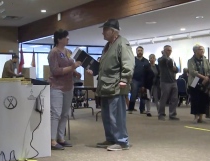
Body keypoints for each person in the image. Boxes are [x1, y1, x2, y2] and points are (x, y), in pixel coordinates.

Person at [86, 19, 134, 151]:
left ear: (113, 31)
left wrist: (123, 82)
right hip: (105, 87)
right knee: (107, 116)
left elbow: (128, 65)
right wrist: (94, 71)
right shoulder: (108, 46)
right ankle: (111, 139)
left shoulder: (122, 43)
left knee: (116, 115)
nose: (102, 33)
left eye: (105, 30)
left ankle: (122, 141)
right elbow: (105, 65)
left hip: (116, 87)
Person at [48, 29, 82, 150]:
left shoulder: (68, 52)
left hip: (68, 86)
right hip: (56, 87)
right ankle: (52, 140)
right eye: (66, 37)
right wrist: (72, 67)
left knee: (64, 114)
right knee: (55, 114)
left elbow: (70, 68)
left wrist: (75, 72)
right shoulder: (53, 52)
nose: (68, 39)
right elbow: (55, 71)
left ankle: (60, 138)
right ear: (59, 39)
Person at [188, 45, 210, 123]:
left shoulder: (205, 60)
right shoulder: (191, 60)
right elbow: (192, 71)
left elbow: (209, 69)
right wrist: (203, 77)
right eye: (200, 49)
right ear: (195, 51)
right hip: (195, 80)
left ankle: (201, 117)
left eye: (203, 49)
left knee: (203, 98)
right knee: (195, 98)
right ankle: (196, 116)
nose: (202, 51)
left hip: (205, 80)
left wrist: (207, 77)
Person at [158, 45, 179, 121]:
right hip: (165, 82)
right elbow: (165, 61)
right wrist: (164, 55)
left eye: (170, 50)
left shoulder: (172, 60)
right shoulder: (161, 59)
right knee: (164, 98)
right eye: (167, 50)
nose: (169, 52)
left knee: (174, 99)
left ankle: (172, 114)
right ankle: (161, 114)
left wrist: (175, 68)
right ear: (164, 51)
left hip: (173, 81)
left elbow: (177, 69)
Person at [128, 46, 149, 114]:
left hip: (143, 80)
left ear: (143, 52)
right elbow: (130, 70)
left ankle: (142, 110)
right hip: (135, 80)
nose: (140, 52)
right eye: (138, 50)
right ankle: (130, 109)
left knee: (143, 95)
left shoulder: (146, 61)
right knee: (133, 94)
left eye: (141, 51)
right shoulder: (133, 60)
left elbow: (148, 71)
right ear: (136, 51)